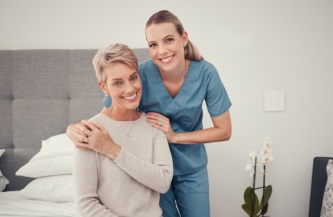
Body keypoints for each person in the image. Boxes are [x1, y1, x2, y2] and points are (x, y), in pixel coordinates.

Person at [68, 10, 232, 217]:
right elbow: (110, 115)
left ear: (184, 38)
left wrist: (174, 136)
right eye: (153, 44)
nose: (162, 51)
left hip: (190, 167)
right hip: (151, 169)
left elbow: (224, 131)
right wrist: (73, 129)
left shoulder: (206, 74)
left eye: (169, 40)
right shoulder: (139, 74)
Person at [73, 43, 173, 217]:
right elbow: (85, 203)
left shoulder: (153, 124)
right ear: (104, 86)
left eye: (133, 78)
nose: (130, 89)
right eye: (118, 83)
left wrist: (113, 150)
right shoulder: (90, 132)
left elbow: (163, 182)